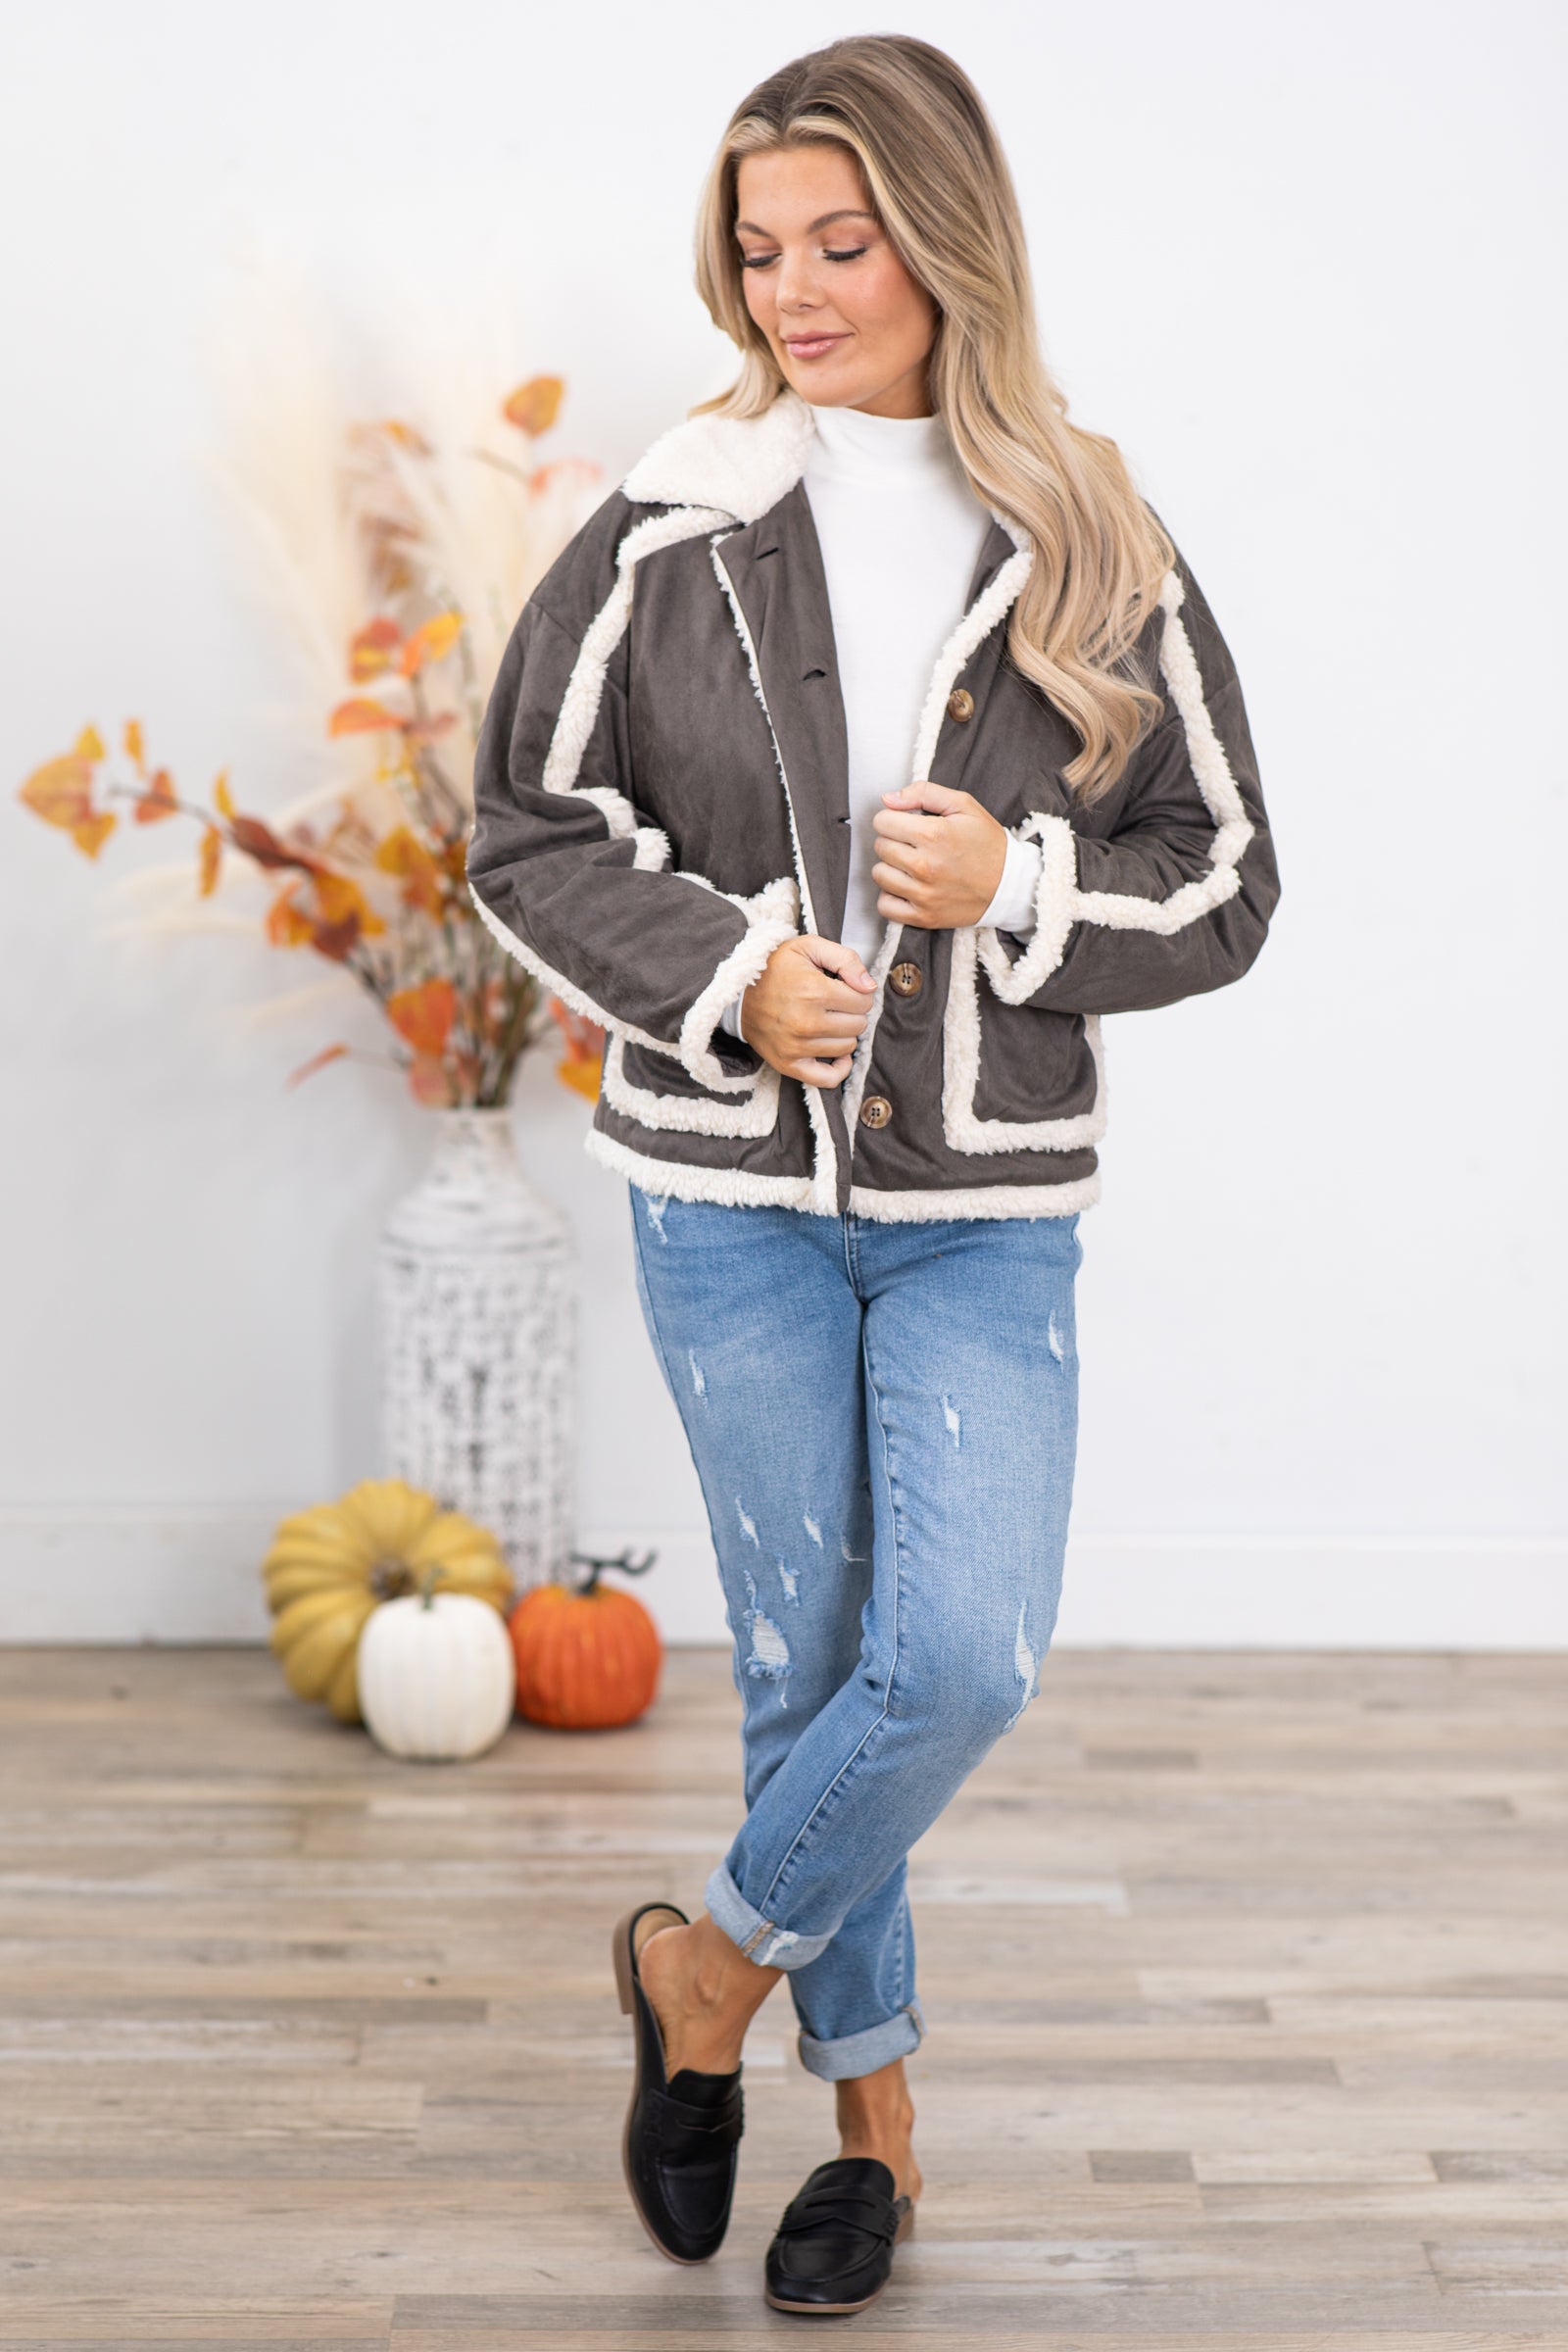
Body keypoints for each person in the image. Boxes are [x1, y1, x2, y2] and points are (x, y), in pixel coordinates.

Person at [467, 32, 1278, 2319]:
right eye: (759, 250)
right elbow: (525, 830)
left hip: (982, 1209)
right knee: (807, 1665)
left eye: (841, 241)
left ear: (945, 240)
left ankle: (698, 1977)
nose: (796, 291)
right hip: (723, 1197)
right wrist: (735, 979)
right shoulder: (671, 518)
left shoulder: (1091, 536)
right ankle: (876, 2141)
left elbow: (1221, 875)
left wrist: (1017, 889)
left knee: (953, 1659)